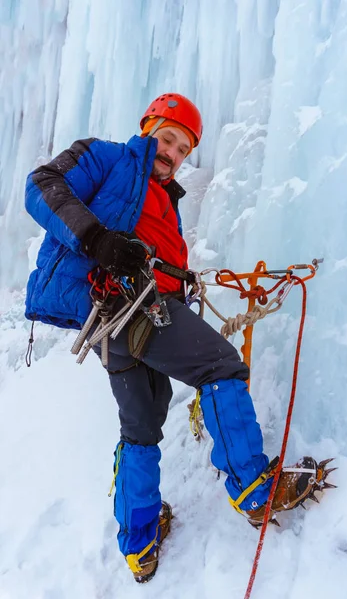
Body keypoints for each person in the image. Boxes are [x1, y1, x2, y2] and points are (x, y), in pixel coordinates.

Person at [25, 93, 330, 583]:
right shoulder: (107, 157)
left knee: (141, 425)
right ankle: (253, 485)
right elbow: (41, 184)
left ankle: (139, 541)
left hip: (124, 318)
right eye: (168, 138)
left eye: (183, 148)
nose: (173, 153)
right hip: (127, 303)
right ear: (147, 127)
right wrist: (97, 239)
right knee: (220, 365)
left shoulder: (166, 200)